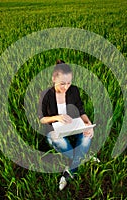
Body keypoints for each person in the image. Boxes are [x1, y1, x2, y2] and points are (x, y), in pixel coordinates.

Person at [38, 60, 97, 190]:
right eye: (62, 83)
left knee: (87, 136)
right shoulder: (45, 95)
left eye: (69, 83)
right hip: (54, 129)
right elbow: (42, 119)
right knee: (58, 141)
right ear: (54, 78)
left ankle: (70, 170)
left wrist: (88, 123)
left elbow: (81, 111)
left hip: (74, 127)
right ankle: (82, 156)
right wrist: (57, 117)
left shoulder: (74, 90)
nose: (66, 87)